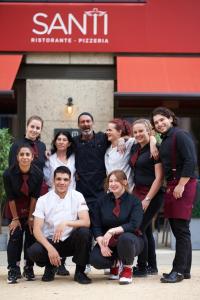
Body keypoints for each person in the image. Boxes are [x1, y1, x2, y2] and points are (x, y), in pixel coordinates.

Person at [150, 107, 197, 283]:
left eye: (162, 119)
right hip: (173, 185)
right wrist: (153, 141)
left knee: (181, 230)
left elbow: (191, 160)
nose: (160, 124)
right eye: (156, 122)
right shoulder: (166, 138)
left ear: (170, 118)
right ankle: (184, 270)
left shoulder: (181, 135)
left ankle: (177, 271)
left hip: (183, 184)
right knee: (180, 231)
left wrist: (181, 184)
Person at [27, 166, 92, 284]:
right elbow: (36, 229)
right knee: (33, 251)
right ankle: (50, 266)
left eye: (65, 179)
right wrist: (50, 248)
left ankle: (80, 271)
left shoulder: (77, 196)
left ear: (70, 181)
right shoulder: (43, 200)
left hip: (70, 241)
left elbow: (86, 221)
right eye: (59, 179)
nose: (62, 182)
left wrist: (66, 223)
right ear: (53, 180)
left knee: (84, 232)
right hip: (51, 241)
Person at [90, 170, 144, 285]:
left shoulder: (134, 201)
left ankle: (127, 269)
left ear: (124, 182)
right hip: (109, 243)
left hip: (131, 242)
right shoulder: (101, 201)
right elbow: (96, 225)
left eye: (116, 181)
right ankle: (115, 263)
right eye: (110, 181)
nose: (113, 184)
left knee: (125, 238)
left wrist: (112, 231)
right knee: (96, 260)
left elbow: (134, 224)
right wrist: (101, 244)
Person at [3, 144, 43, 284]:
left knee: (31, 236)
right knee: (15, 236)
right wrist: (15, 218)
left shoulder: (38, 173)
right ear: (17, 157)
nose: (25, 157)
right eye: (22, 155)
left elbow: (34, 197)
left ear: (32, 157)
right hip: (13, 207)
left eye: (28, 155)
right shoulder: (8, 174)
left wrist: (31, 217)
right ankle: (13, 269)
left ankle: (28, 267)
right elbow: (10, 198)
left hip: (30, 206)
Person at [130, 119, 164, 276]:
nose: (137, 134)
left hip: (152, 194)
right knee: (147, 230)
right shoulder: (136, 147)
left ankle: (142, 267)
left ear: (149, 131)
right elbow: (123, 138)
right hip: (138, 193)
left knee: (139, 228)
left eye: (141, 131)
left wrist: (148, 199)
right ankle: (153, 266)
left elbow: (159, 178)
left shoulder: (155, 148)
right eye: (135, 132)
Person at [43, 130, 76, 276]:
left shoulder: (74, 157)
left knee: (69, 228)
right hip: (54, 195)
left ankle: (62, 264)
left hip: (72, 196)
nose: (61, 141)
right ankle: (53, 264)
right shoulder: (50, 158)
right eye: (59, 139)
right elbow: (46, 178)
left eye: (64, 139)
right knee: (54, 227)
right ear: (55, 142)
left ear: (69, 143)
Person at [105, 118, 135, 191]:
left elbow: (145, 137)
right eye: (107, 130)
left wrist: (122, 139)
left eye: (110, 130)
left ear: (119, 132)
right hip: (112, 191)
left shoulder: (128, 143)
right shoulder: (108, 149)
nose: (107, 132)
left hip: (126, 190)